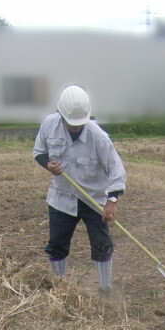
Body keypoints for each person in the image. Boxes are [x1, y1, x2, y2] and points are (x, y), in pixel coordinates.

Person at [33, 85, 127, 297]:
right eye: (70, 124)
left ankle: (105, 290)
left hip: (93, 199)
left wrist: (112, 200)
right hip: (62, 198)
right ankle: (60, 288)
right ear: (61, 115)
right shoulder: (49, 125)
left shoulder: (98, 136)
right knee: (57, 244)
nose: (75, 128)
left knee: (102, 245)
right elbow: (39, 152)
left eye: (79, 124)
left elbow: (116, 170)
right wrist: (48, 164)